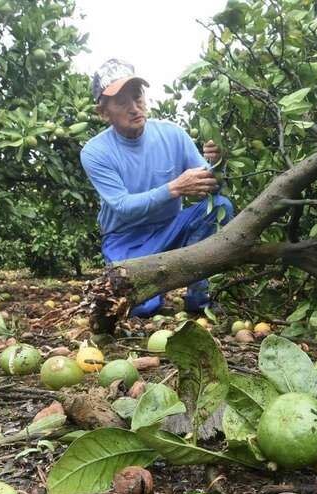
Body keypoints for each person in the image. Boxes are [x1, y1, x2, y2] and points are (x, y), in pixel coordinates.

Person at [79, 59, 234, 317]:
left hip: (170, 228)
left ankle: (199, 296)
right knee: (140, 309)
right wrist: (174, 188)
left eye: (137, 96)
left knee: (219, 208)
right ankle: (156, 288)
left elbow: (212, 189)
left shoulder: (173, 134)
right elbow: (123, 207)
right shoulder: (95, 152)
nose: (133, 107)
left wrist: (217, 163)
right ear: (103, 113)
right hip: (125, 238)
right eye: (121, 102)